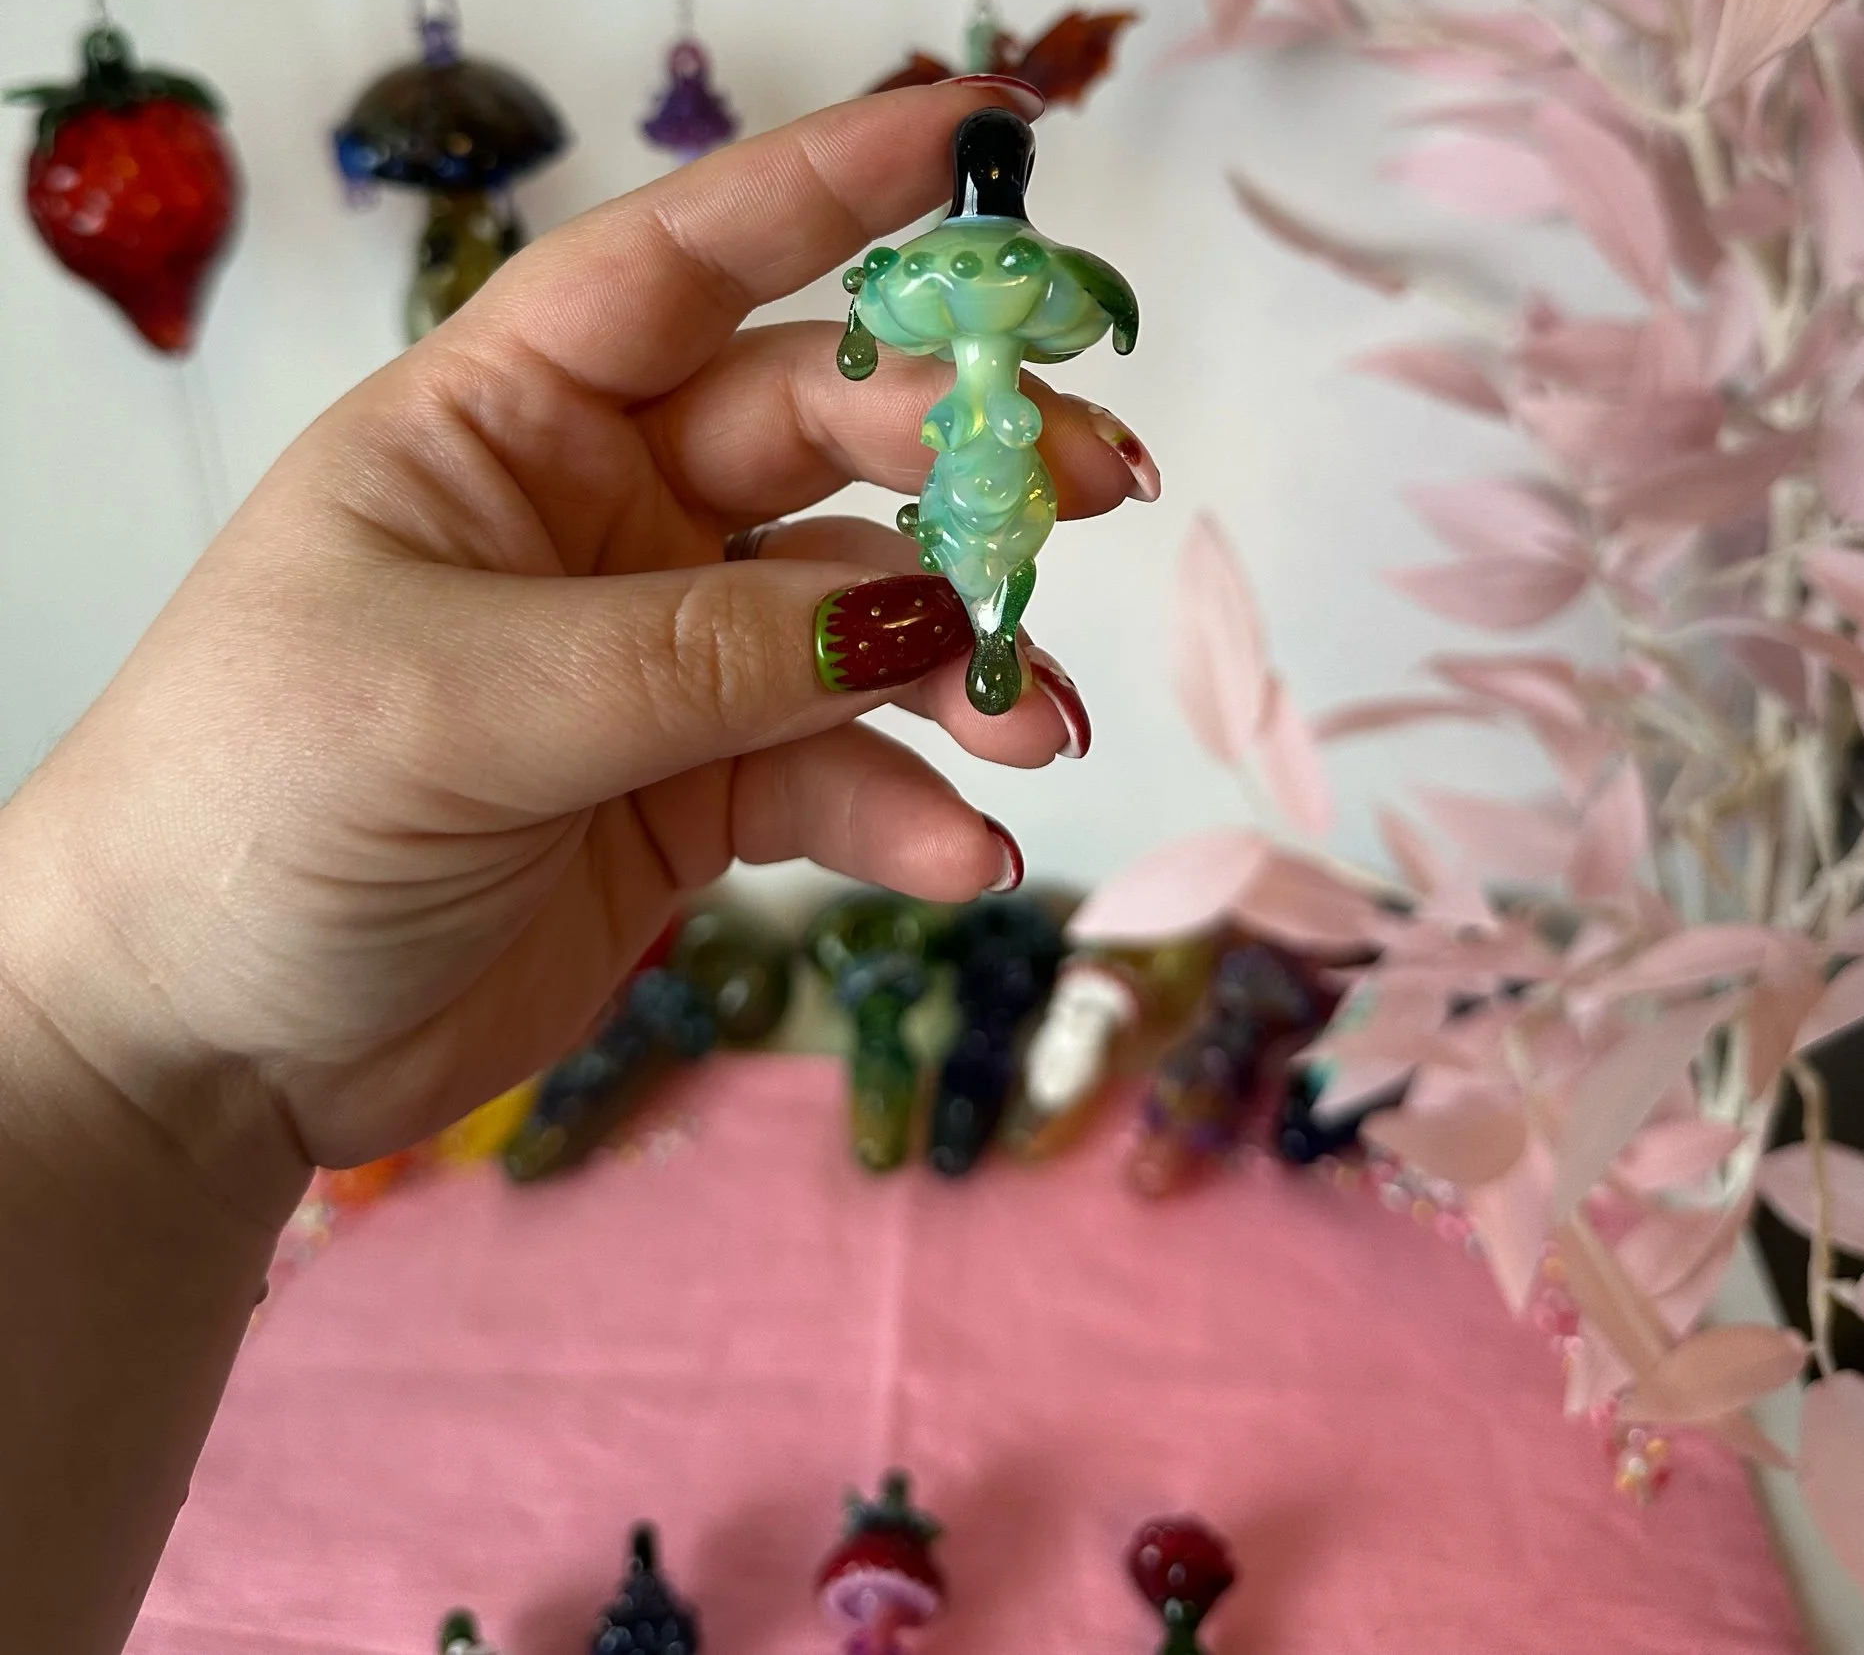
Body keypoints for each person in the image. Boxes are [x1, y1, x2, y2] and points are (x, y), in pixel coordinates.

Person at [0, 81, 1159, 1655]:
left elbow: (1067, 321)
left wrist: (137, 1070)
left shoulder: (986, 312)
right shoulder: (916, 312)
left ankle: (980, 608)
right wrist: (120, 1050)